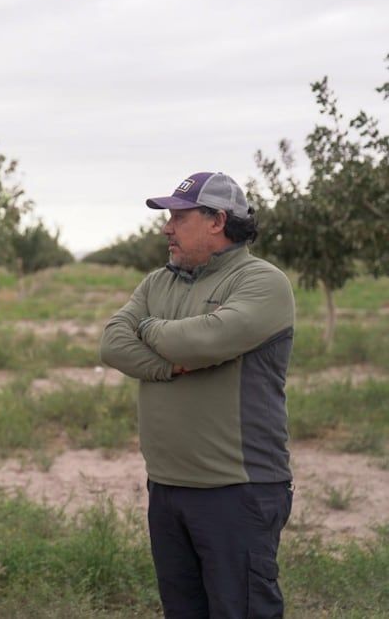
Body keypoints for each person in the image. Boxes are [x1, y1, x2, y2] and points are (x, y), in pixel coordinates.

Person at [100, 172, 295, 618]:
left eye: (179, 217)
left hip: (236, 490)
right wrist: (167, 365)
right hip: (167, 487)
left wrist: (148, 328)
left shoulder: (262, 282)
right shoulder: (158, 283)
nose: (167, 227)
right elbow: (112, 343)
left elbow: (204, 341)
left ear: (217, 221)